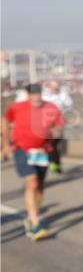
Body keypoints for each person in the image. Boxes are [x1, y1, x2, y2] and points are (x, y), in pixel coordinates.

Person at [2, 83, 64, 240]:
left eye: (39, 93)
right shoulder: (17, 107)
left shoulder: (51, 107)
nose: (36, 96)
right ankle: (35, 223)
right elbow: (5, 120)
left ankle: (31, 216)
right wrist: (6, 143)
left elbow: (59, 124)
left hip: (43, 151)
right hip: (22, 149)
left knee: (40, 188)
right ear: (28, 95)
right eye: (33, 94)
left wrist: (55, 132)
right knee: (32, 182)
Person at [41, 80, 73, 173]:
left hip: (57, 123)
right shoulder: (45, 95)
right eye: (52, 87)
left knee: (53, 143)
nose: (55, 89)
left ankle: (55, 164)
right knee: (48, 144)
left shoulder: (62, 95)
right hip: (45, 123)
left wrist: (64, 113)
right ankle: (52, 163)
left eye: (56, 87)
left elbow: (70, 105)